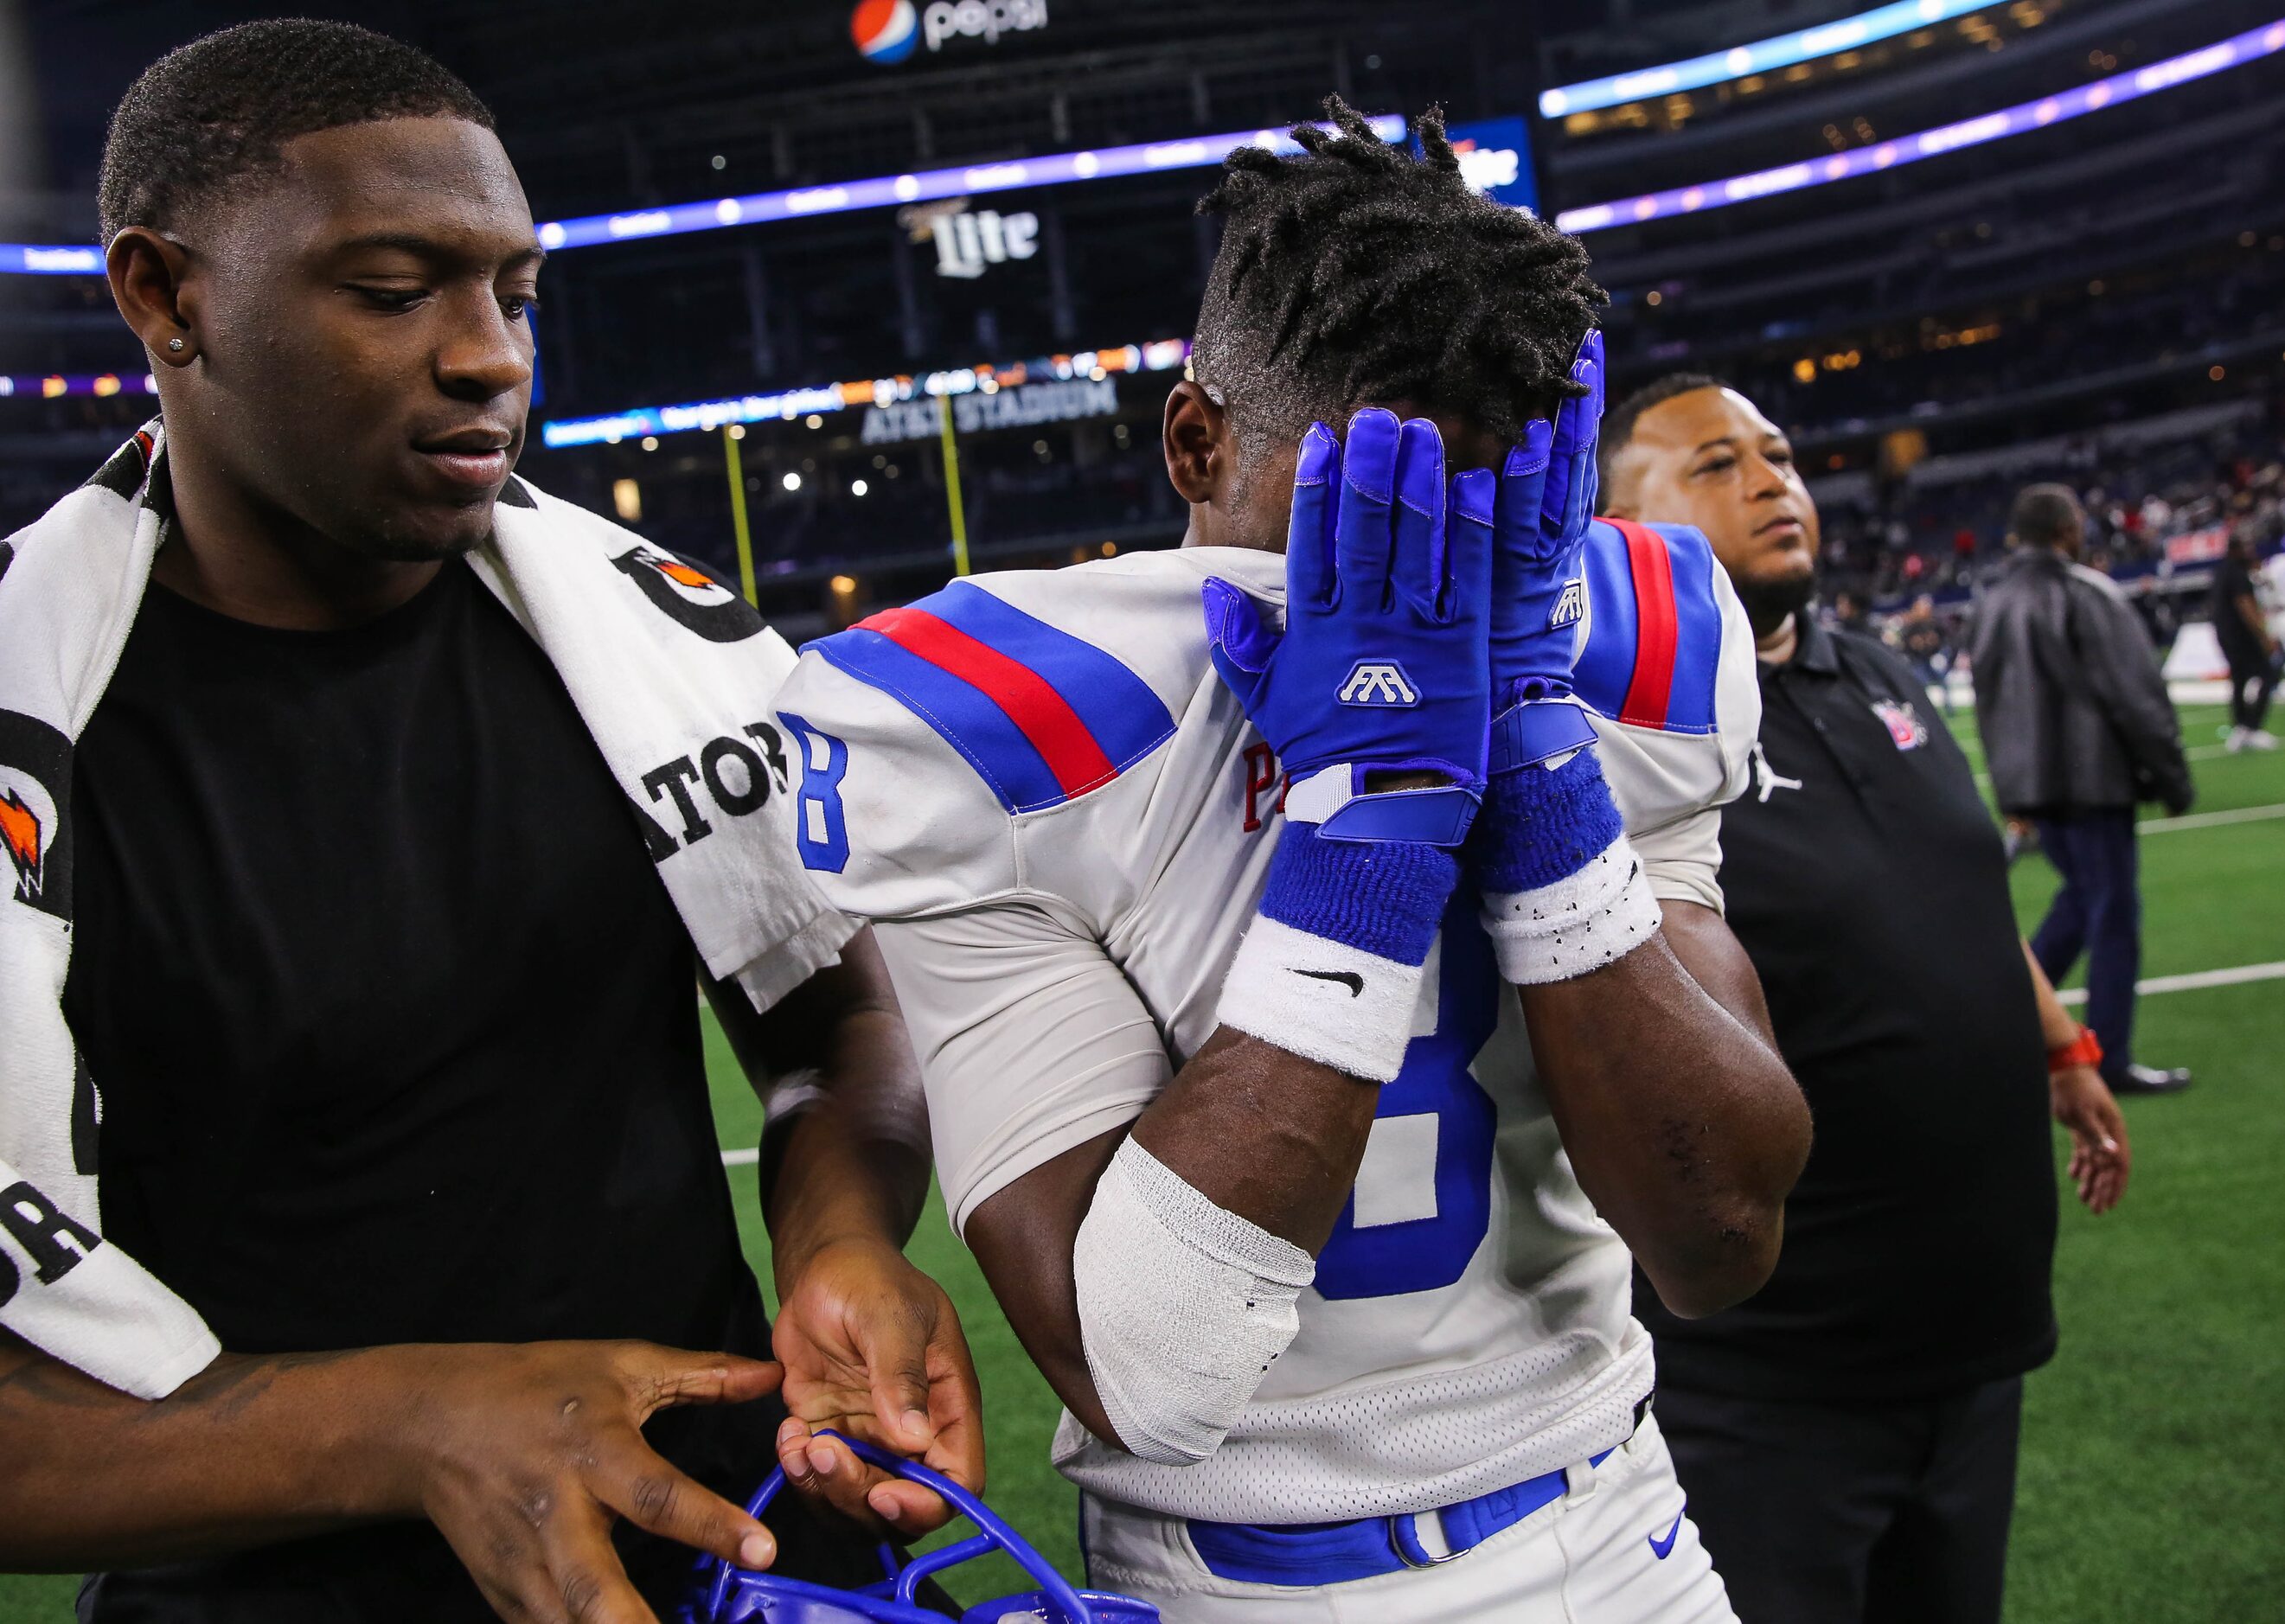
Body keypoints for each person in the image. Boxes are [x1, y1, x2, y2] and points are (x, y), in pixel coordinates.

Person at [767, 104, 1811, 1621]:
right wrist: (1367, 837)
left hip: (1615, 1527)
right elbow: (1149, 1372)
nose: (1411, 585)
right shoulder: (1006, 729)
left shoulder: (1592, 653)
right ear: (1196, 439)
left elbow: (1718, 1238)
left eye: (1475, 528)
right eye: (1354, 523)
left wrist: (1537, 774)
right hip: (1243, 1580)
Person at [0, 23, 979, 1624]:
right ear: (166, 298)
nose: (491, 355)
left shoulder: (649, 641)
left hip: (738, 1550)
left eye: (513, 293)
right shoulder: (34, 730)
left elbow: (826, 1021)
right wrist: (415, 1426)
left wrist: (836, 1239)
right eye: (396, 292)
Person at [1598, 375, 2134, 1624]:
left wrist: (2063, 1048)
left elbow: (1964, 895)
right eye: (1717, 464)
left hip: (1971, 1343)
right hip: (1765, 1385)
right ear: (1617, 526)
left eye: (1777, 454)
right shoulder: (1616, 733)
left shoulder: (1879, 671)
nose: (1771, 481)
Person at [1970, 483, 2195, 1094]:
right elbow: (2136, 697)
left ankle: (2010, 1024)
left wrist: (2013, 793)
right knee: (2113, 914)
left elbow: (1987, 704)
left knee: (2081, 900)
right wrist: (2174, 779)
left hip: (2034, 786)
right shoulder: (2086, 592)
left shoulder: (1993, 603)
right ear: (2069, 530)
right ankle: (2110, 1057)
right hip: (2093, 782)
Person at [2211, 530, 2280, 750]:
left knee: (2239, 681)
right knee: (2269, 675)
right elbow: (2246, 606)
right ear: (2237, 549)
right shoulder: (2238, 574)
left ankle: (2241, 727)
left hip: (2226, 636)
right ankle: (2253, 727)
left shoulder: (2223, 571)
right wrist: (2263, 635)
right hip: (2242, 637)